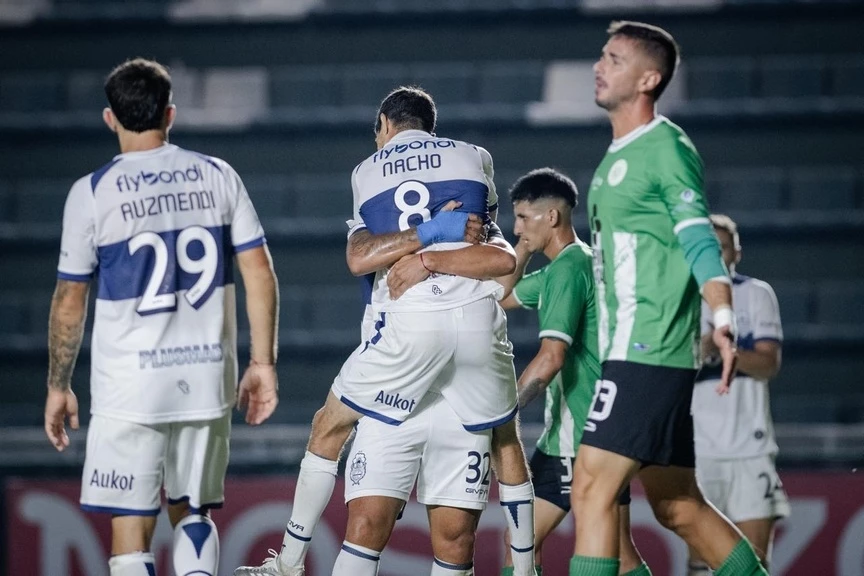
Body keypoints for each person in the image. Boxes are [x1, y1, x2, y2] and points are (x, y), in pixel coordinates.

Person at [236, 86, 536, 576]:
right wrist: (439, 237)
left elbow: (359, 257)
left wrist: (423, 254)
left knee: (340, 454)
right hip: (472, 341)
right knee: (469, 503)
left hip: (405, 347)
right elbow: (500, 256)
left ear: (384, 125)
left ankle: (288, 563)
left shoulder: (366, 172)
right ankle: (526, 569)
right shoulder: (476, 159)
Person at [44, 58, 280, 576]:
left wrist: (59, 384)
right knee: (193, 509)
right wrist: (262, 362)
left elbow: (69, 299)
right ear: (169, 114)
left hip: (129, 385)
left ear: (111, 119)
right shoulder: (218, 175)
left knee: (131, 531)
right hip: (203, 374)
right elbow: (259, 271)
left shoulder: (92, 192)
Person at [570, 21, 769, 576]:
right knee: (677, 504)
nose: (599, 66)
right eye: (601, 56)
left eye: (614, 58)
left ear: (648, 78)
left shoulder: (666, 148)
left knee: (590, 487)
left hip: (648, 343)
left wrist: (723, 314)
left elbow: (699, 237)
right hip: (633, 346)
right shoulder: (618, 156)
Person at [494, 168, 650, 576]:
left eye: (525, 217)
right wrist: (522, 251)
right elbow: (501, 296)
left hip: (579, 434)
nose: (517, 227)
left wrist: (505, 411)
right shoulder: (576, 264)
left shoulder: (565, 270)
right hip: (594, 429)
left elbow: (551, 359)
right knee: (618, 552)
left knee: (524, 547)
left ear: (552, 217)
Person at [688, 214, 789, 575]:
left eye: (723, 246)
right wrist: (696, 352)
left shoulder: (756, 294)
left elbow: (768, 363)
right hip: (699, 450)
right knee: (701, 563)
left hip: (751, 449)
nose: (715, 253)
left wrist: (723, 350)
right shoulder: (683, 299)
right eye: (708, 247)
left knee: (755, 560)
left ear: (737, 253)